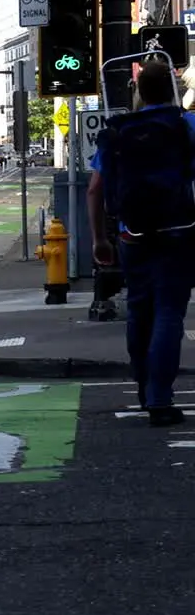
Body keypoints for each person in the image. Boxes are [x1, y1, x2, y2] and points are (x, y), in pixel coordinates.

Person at [88, 61, 195, 427]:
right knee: (169, 312)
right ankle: (159, 399)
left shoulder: (117, 131)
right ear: (172, 87)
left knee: (139, 310)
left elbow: (95, 189)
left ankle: (142, 386)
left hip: (132, 235)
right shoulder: (186, 125)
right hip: (179, 231)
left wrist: (100, 239)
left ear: (138, 91)